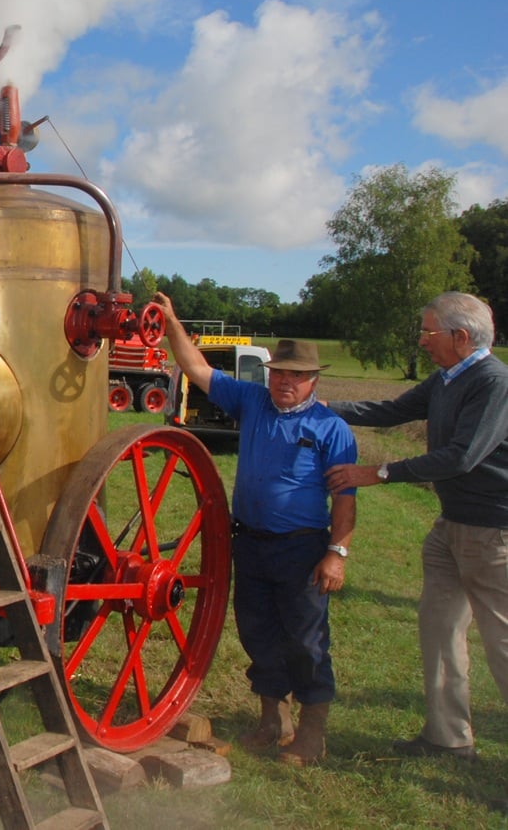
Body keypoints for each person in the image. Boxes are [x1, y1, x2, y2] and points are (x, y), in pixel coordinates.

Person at [153, 293, 357, 766]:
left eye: (296, 376)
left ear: (313, 380)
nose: (285, 382)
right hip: (250, 542)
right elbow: (198, 369)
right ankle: (273, 721)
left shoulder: (331, 429)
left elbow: (345, 500)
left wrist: (337, 553)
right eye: (279, 373)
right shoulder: (254, 402)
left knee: (305, 640)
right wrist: (171, 323)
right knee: (258, 632)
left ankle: (311, 733)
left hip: (303, 549)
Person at [325, 291, 508, 760]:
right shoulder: (447, 377)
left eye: (429, 332)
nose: (422, 341)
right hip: (451, 526)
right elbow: (391, 412)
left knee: (501, 645)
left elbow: (462, 457)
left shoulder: (493, 383)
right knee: (440, 630)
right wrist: (318, 405)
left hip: (493, 533)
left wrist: (380, 473)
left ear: (460, 337)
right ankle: (448, 738)